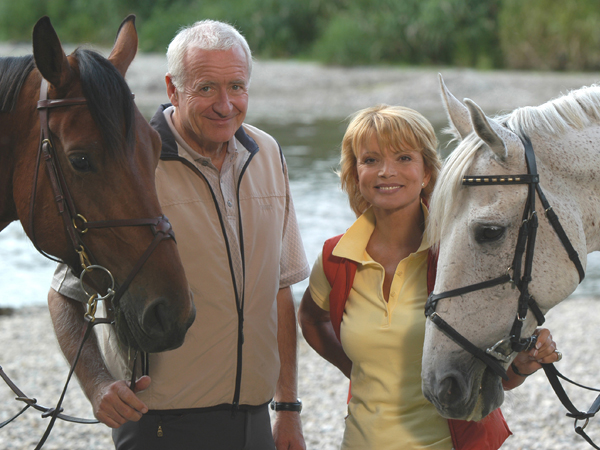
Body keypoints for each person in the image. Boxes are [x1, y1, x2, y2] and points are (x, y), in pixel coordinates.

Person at [48, 20, 309, 450]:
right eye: (206, 88)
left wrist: (287, 408)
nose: (226, 105)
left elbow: (279, 291)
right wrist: (96, 385)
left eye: (237, 86)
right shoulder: (132, 164)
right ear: (172, 89)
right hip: (159, 425)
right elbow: (63, 295)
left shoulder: (268, 154)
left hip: (254, 422)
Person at [298, 104, 561, 449]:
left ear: (425, 172)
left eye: (404, 158)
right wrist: (357, 370)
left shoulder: (459, 256)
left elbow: (497, 376)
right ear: (355, 172)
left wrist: (523, 364)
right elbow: (311, 319)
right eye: (371, 160)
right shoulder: (336, 257)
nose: (386, 172)